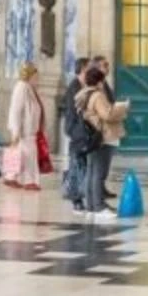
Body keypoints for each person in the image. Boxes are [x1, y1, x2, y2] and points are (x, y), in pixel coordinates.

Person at [75, 62, 129, 220]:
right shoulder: (97, 95)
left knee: (92, 171)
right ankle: (98, 206)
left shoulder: (83, 94)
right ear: (100, 81)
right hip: (103, 136)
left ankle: (92, 205)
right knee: (99, 173)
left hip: (91, 136)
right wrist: (123, 108)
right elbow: (108, 115)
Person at [5, 62, 44, 189]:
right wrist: (16, 131)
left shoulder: (29, 88)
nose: (37, 80)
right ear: (29, 75)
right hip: (24, 130)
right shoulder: (21, 87)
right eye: (35, 77)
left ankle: (12, 177)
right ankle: (29, 181)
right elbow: (16, 111)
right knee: (28, 156)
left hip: (29, 129)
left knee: (24, 155)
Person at [60, 57, 90, 204]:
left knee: (79, 165)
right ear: (81, 71)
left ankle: (78, 196)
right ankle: (75, 199)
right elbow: (75, 112)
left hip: (80, 131)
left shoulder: (83, 86)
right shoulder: (75, 88)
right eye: (87, 70)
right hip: (76, 131)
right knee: (76, 166)